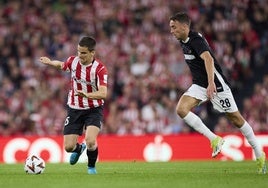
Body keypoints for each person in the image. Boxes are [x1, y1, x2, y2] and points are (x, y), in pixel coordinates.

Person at [169, 12, 266, 174]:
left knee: (236, 119)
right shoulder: (183, 40)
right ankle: (214, 139)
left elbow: (209, 59)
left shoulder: (196, 40)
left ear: (185, 26)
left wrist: (212, 83)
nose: (171, 31)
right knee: (181, 109)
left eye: (174, 27)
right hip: (200, 85)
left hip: (217, 86)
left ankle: (259, 153)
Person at [39, 36, 108, 174]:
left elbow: (103, 93)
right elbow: (62, 65)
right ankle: (79, 148)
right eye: (78, 51)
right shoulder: (73, 61)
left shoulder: (100, 69)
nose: (80, 55)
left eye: (83, 53)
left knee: (90, 140)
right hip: (74, 108)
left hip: (93, 109)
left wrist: (87, 95)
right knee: (69, 147)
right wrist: (50, 62)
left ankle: (91, 167)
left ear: (92, 53)